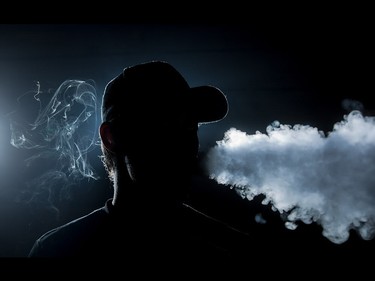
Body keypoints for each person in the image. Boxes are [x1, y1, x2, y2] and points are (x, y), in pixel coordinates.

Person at [27, 60, 250, 261]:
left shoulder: (233, 249)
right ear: (112, 137)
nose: (181, 142)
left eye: (190, 126)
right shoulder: (58, 251)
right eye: (162, 124)